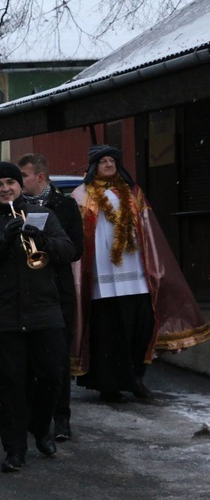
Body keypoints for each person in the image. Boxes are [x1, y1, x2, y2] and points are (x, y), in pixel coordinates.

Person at [71, 145, 210, 403]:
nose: (109, 164)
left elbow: (148, 230)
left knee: (141, 326)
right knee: (108, 332)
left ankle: (136, 377)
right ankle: (109, 384)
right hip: (102, 276)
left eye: (113, 160)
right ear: (94, 167)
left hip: (135, 274)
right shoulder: (81, 195)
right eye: (103, 161)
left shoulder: (134, 194)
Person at [0, 162, 75, 473]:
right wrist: (2, 243)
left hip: (44, 311)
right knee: (10, 385)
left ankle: (40, 429)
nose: (5, 189)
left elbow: (68, 250)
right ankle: (14, 449)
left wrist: (43, 241)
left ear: (20, 186)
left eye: (11, 182)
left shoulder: (43, 215)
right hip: (3, 316)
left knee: (52, 377)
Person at [18, 154, 83, 441]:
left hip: (57, 290)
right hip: (26, 291)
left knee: (57, 358)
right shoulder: (13, 208)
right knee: (29, 359)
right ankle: (33, 415)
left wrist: (46, 243)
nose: (18, 182)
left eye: (23, 176)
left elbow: (76, 249)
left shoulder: (64, 205)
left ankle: (61, 417)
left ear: (40, 177)